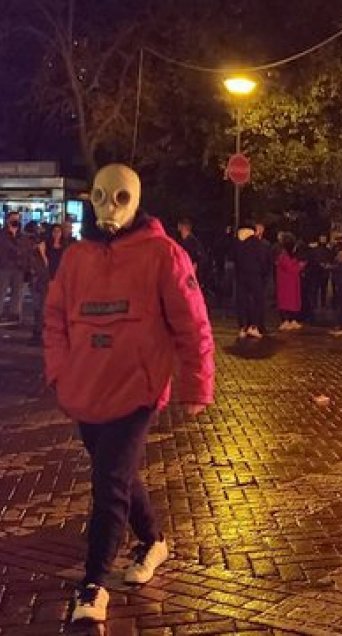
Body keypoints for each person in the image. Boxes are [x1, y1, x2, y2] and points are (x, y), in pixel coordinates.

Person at [43, 163, 214, 624]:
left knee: (109, 483)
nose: (108, 207)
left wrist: (198, 383)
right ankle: (154, 541)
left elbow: (192, 321)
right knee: (115, 473)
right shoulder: (77, 257)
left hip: (136, 392)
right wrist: (61, 371)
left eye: (120, 197)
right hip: (86, 389)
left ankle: (93, 584)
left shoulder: (164, 254)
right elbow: (55, 316)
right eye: (99, 196)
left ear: (136, 200)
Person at [233, 222, 271, 338]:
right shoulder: (256, 243)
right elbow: (263, 261)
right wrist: (263, 273)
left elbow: (235, 259)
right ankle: (254, 326)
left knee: (242, 302)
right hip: (255, 276)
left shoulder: (237, 242)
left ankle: (243, 327)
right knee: (257, 301)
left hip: (241, 276)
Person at [0, 210, 30, 324]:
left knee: (17, 292)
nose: (16, 221)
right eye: (13, 219)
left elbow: (25, 249)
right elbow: (6, 248)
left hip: (19, 267)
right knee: (1, 290)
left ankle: (14, 314)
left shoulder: (22, 235)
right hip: (4, 266)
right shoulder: (2, 234)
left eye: (17, 219)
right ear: (8, 220)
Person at [24, 221, 49, 345]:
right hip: (37, 277)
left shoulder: (41, 243)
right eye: (38, 228)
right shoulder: (31, 243)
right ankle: (38, 331)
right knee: (38, 305)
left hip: (41, 277)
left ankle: (39, 331)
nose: (40, 230)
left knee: (40, 305)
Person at [275, 233, 305, 331]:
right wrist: (300, 266)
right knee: (286, 302)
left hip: (292, 282)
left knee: (293, 301)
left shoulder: (287, 255)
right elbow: (290, 268)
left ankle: (292, 320)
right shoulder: (283, 255)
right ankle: (285, 321)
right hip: (286, 283)